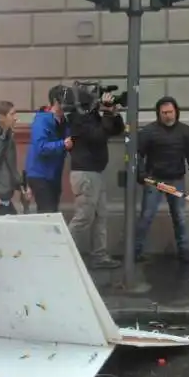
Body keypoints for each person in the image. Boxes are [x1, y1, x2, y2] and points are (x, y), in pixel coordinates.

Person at [135, 96, 189, 264]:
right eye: (164, 113)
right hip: (154, 180)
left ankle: (184, 251)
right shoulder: (149, 132)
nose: (168, 116)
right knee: (146, 216)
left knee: (179, 217)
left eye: (170, 112)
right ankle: (135, 251)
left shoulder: (184, 131)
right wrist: (141, 173)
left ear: (176, 112)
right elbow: (137, 154)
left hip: (176, 178)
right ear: (158, 114)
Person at [66, 88, 125, 270]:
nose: (98, 102)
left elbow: (115, 130)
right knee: (84, 217)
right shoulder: (79, 119)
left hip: (95, 173)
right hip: (86, 174)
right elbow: (98, 136)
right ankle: (62, 253)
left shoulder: (91, 117)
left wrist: (112, 114)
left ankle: (99, 256)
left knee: (100, 216)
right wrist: (106, 113)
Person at [24, 85, 74, 213]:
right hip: (40, 174)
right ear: (56, 102)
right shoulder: (42, 120)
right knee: (47, 212)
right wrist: (62, 144)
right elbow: (41, 147)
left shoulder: (63, 121)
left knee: (51, 211)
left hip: (53, 174)